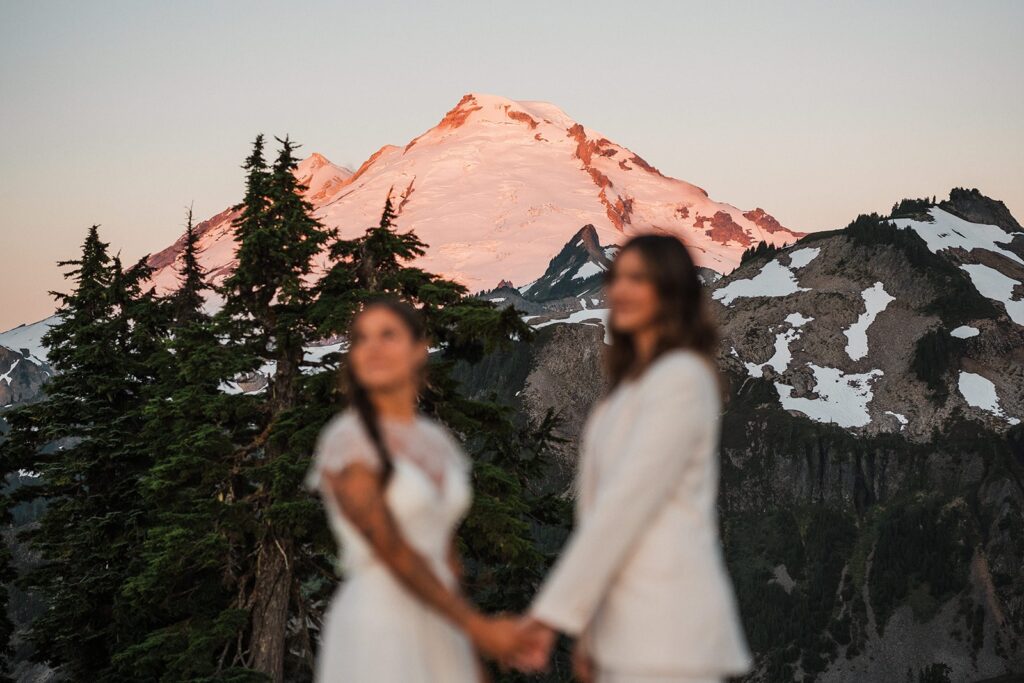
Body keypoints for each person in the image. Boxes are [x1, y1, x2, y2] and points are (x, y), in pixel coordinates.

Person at [513, 234, 754, 682]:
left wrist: (552, 615)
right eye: (617, 277)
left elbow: (629, 500)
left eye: (638, 279)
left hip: (669, 619)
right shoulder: (627, 390)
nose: (619, 290)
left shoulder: (684, 378)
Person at [304, 297, 525, 682]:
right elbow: (390, 546)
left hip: (440, 620)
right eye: (361, 338)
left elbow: (446, 555)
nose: (372, 347)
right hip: (379, 625)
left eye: (387, 335)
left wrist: (469, 655)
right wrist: (479, 628)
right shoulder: (348, 440)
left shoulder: (434, 440)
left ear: (418, 349)